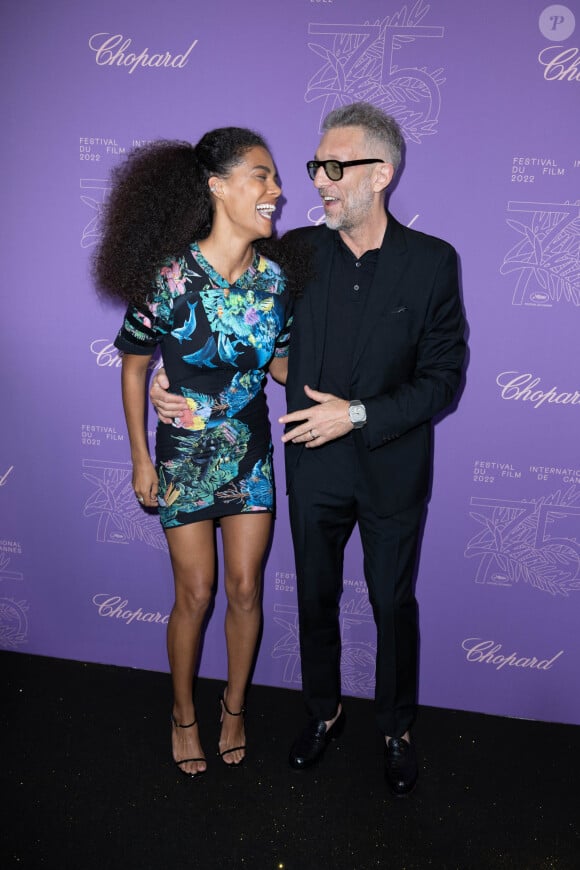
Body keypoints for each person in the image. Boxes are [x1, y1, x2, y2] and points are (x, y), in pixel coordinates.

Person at [149, 102, 466, 796]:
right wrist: (174, 373)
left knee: (392, 604)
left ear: (380, 174)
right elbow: (245, 335)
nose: (317, 180)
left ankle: (395, 729)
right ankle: (323, 715)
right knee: (316, 601)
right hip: (311, 468)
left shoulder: (434, 264)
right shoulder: (291, 256)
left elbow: (443, 381)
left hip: (391, 470)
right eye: (314, 166)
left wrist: (356, 414)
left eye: (334, 167)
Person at [94, 128, 297, 778]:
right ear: (217, 185)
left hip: (250, 451)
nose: (277, 191)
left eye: (274, 179)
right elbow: (132, 367)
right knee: (197, 593)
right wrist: (140, 460)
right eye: (261, 176)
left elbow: (286, 371)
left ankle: (233, 708)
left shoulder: (277, 281)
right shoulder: (170, 276)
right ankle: (183, 713)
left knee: (244, 588)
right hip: (182, 453)